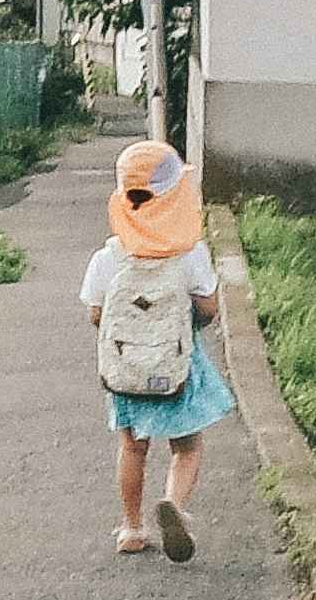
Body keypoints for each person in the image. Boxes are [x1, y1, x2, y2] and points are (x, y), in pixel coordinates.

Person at [82, 137, 237, 560]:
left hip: (127, 370)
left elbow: (96, 314)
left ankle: (132, 528)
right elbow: (207, 309)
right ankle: (175, 504)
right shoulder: (190, 255)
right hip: (177, 368)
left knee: (133, 447)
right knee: (186, 446)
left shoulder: (108, 258)